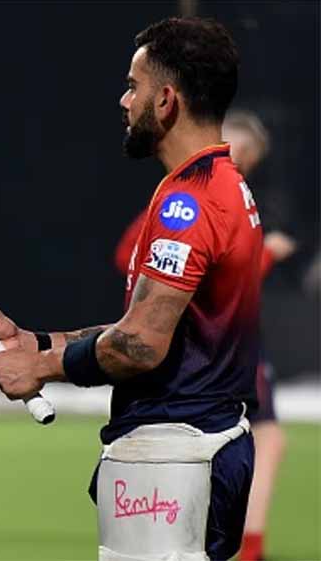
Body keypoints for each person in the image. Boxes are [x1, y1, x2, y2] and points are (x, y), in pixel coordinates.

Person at [0, 18, 259, 559]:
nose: (124, 100)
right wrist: (36, 342)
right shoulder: (223, 185)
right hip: (203, 445)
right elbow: (151, 330)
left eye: (133, 86)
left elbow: (141, 345)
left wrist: (40, 368)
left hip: (172, 455)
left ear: (166, 100)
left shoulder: (188, 204)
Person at [113, 110, 297, 561]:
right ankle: (245, 548)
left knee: (246, 439)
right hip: (218, 341)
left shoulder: (196, 193)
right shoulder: (202, 197)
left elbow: (131, 255)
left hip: (212, 340)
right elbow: (135, 256)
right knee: (259, 438)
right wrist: (266, 256)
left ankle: (222, 543)